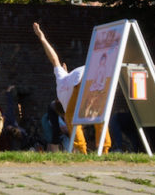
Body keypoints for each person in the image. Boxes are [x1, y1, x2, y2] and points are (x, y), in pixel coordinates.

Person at [33, 22, 110, 154]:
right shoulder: (62, 77)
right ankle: (105, 149)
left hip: (81, 82)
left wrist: (42, 38)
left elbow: (54, 59)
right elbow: (54, 59)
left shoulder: (66, 104)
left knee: (73, 119)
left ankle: (81, 151)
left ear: (60, 113)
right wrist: (42, 38)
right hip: (94, 75)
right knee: (98, 114)